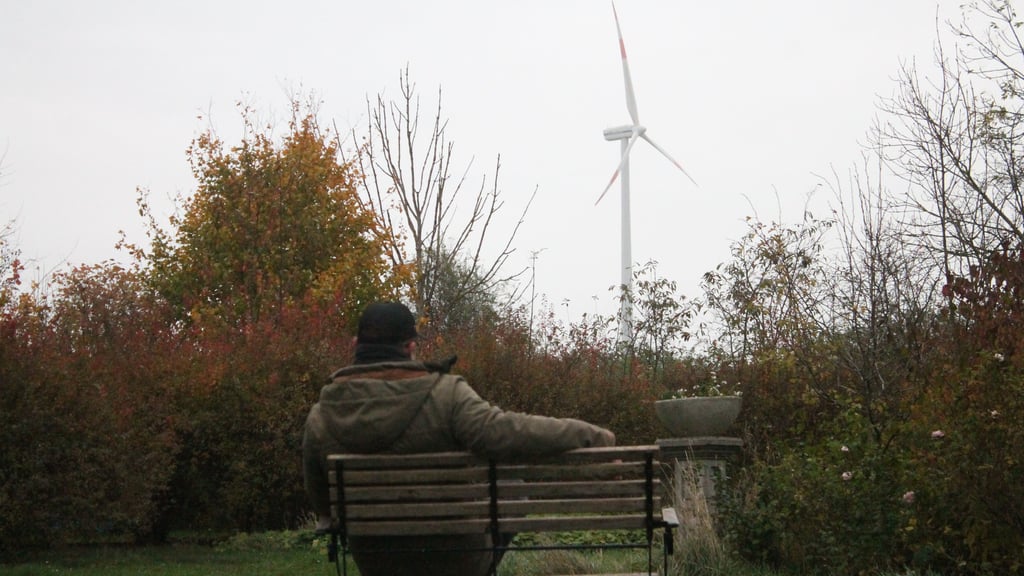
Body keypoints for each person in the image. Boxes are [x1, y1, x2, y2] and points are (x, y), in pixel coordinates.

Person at [303, 301, 615, 576]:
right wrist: (591, 435)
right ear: (410, 347)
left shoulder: (321, 415)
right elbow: (509, 432)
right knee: (515, 491)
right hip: (458, 562)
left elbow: (324, 507)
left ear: (356, 344)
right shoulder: (446, 395)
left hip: (377, 563)